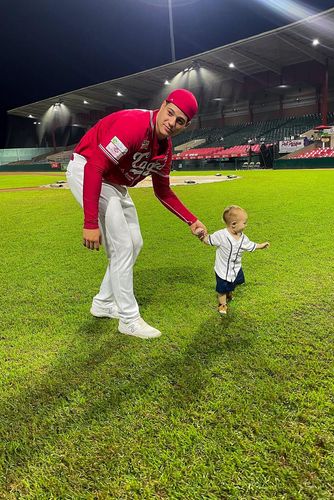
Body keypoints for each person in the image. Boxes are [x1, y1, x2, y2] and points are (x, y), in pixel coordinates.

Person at [67, 89, 207, 339]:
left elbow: (163, 191)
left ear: (186, 126)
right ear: (163, 105)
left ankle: (103, 303)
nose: (171, 123)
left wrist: (192, 220)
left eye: (180, 121)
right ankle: (129, 319)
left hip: (114, 183)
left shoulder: (165, 149)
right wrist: (90, 222)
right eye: (171, 113)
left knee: (135, 243)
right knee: (121, 246)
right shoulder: (134, 124)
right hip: (88, 170)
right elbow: (95, 166)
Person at [200, 205, 269, 315]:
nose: (246, 225)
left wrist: (260, 245)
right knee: (222, 289)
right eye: (244, 223)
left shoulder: (243, 237)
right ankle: (222, 304)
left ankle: (229, 292)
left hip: (236, 268)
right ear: (233, 224)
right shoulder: (221, 235)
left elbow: (250, 245)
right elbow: (209, 240)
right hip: (223, 270)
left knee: (235, 282)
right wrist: (202, 235)